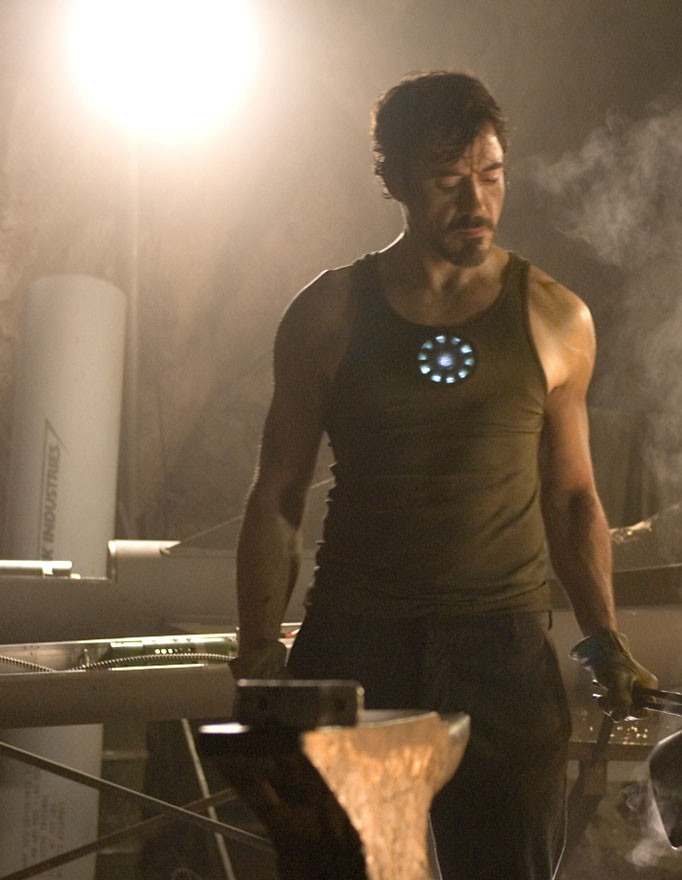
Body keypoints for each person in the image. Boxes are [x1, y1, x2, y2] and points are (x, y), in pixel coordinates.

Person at [230, 70, 657, 880]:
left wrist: (604, 638)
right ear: (392, 179)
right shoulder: (328, 314)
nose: (476, 201)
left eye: (491, 175)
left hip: (502, 653)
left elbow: (572, 497)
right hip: (356, 643)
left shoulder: (555, 316)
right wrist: (256, 655)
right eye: (447, 180)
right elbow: (277, 496)